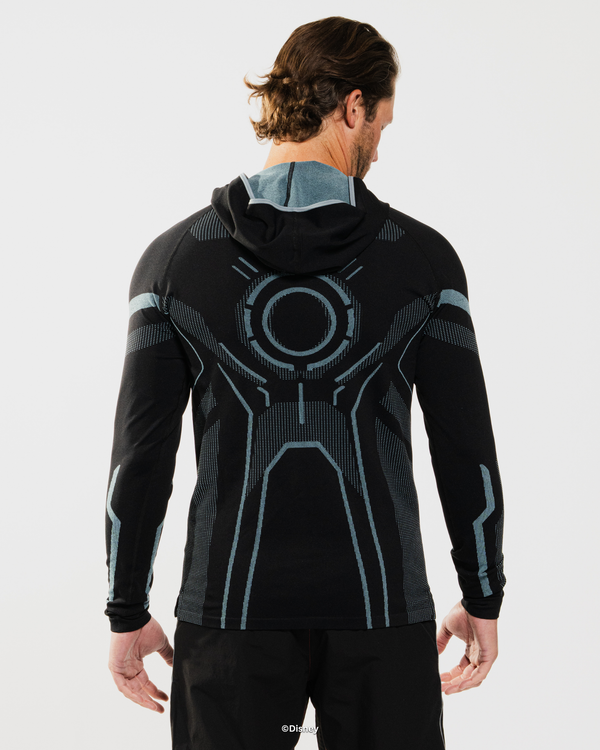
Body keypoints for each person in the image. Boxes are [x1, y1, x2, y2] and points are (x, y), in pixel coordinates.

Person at [106, 16, 506, 750]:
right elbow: (465, 446)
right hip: (383, 615)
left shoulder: (173, 262)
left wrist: (125, 608)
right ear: (354, 107)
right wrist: (482, 593)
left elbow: (140, 459)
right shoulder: (424, 261)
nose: (380, 145)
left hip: (228, 618)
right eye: (382, 123)